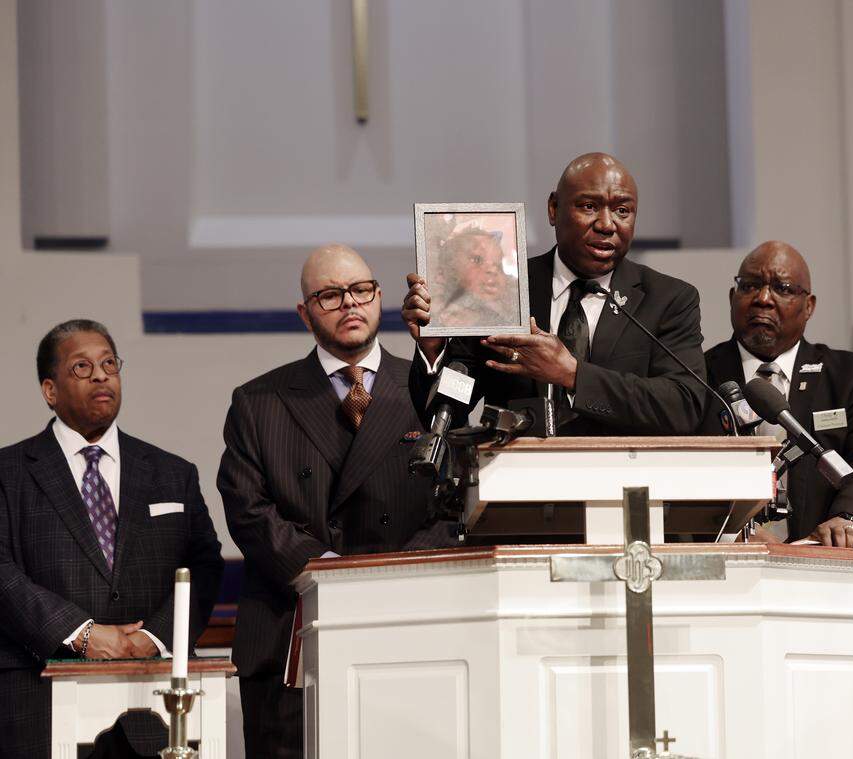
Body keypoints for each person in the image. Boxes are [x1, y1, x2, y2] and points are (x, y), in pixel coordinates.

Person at [217, 243, 436, 759]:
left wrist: (396, 579)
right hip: (290, 632)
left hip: (410, 621)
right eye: (330, 295)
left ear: (380, 296)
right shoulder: (259, 401)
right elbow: (247, 510)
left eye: (361, 290)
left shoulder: (431, 389)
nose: (349, 304)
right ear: (305, 312)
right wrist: (327, 574)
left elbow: (456, 503)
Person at [0, 319, 224, 758]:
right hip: (40, 701)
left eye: (109, 364)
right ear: (50, 390)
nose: (101, 375)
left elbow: (204, 565)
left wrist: (154, 639)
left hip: (156, 706)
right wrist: (81, 634)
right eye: (82, 368)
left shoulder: (172, 472)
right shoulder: (9, 473)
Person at [402, 152, 707, 435]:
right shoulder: (504, 293)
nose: (606, 224)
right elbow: (449, 407)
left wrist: (573, 375)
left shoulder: (668, 299)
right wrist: (434, 352)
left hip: (622, 486)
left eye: (622, 211)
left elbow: (683, 406)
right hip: (520, 485)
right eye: (589, 206)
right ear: (553, 208)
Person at [702, 240, 853, 659]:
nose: (763, 298)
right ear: (731, 296)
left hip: (827, 580)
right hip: (724, 586)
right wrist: (728, 528)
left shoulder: (850, 374)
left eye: (782, 288)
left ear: (809, 305)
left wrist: (850, 518)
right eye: (750, 285)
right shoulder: (694, 375)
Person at [433, 226, 519, 328]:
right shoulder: (442, 318)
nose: (493, 270)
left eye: (498, 265)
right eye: (477, 260)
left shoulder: (510, 315)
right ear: (442, 274)